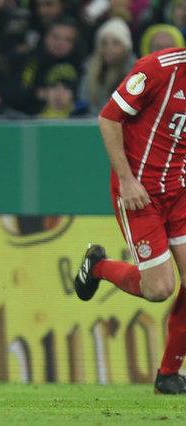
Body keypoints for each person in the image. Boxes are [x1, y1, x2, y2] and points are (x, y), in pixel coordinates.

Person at [74, 46, 186, 394]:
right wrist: (126, 179)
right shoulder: (158, 68)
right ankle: (98, 266)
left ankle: (168, 374)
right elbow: (108, 118)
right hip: (141, 192)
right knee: (159, 289)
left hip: (180, 191)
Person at [77, 17, 137, 115]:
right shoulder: (91, 69)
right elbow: (83, 100)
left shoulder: (135, 75)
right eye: (104, 43)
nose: (109, 48)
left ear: (125, 47)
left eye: (115, 43)